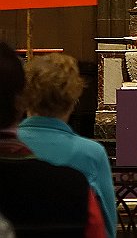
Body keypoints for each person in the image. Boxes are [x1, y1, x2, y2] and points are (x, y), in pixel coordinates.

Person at [13, 51, 112, 237]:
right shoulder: (91, 154)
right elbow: (106, 230)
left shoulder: (7, 147)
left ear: (25, 96)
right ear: (74, 100)